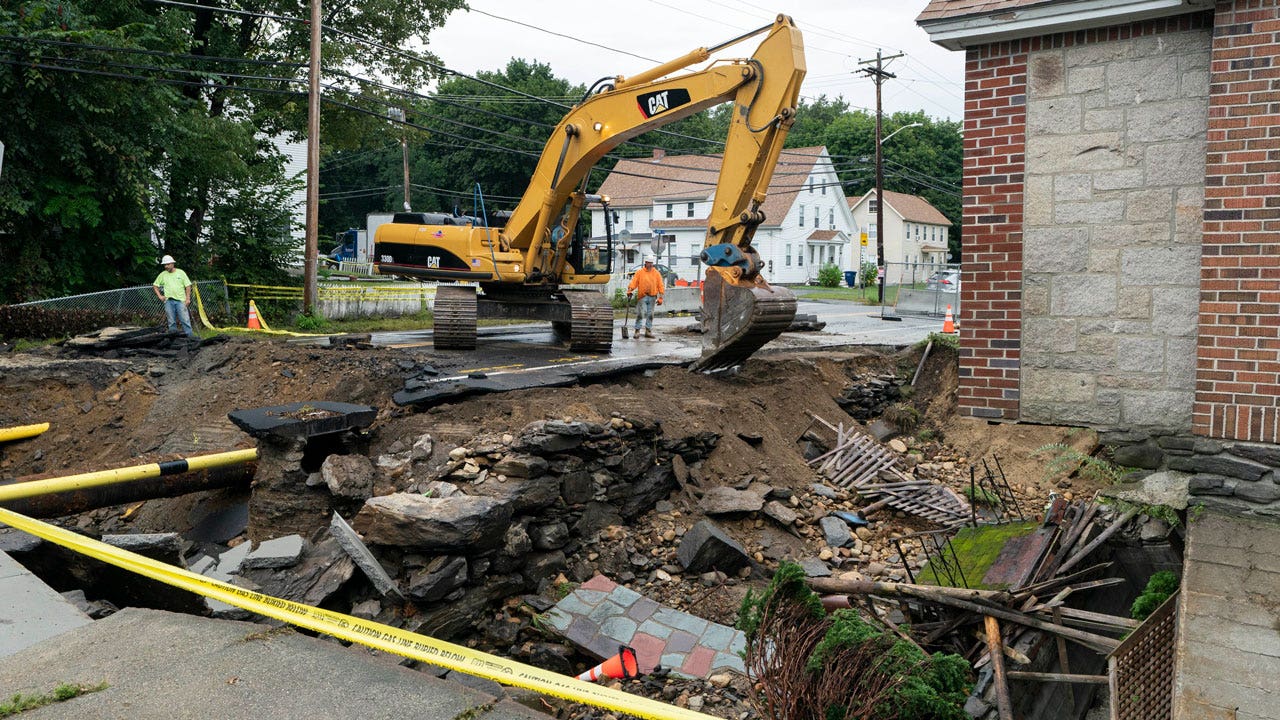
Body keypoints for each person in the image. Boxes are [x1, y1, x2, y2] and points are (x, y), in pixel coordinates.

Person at [153, 254, 195, 337]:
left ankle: (190, 339)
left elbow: (188, 286)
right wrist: (160, 296)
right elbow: (155, 285)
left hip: (181, 301)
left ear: (172, 263)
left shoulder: (181, 273)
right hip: (168, 301)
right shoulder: (163, 275)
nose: (166, 266)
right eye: (165, 265)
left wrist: (188, 299)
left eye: (168, 264)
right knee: (171, 322)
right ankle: (175, 340)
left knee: (185, 321)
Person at [627, 254, 665, 338]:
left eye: (651, 263)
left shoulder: (656, 273)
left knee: (650, 314)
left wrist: (661, 297)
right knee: (640, 314)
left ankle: (648, 331)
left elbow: (660, 285)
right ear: (646, 263)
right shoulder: (640, 272)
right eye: (649, 263)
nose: (650, 265)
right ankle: (637, 331)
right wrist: (630, 289)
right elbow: (634, 282)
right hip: (642, 296)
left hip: (652, 296)